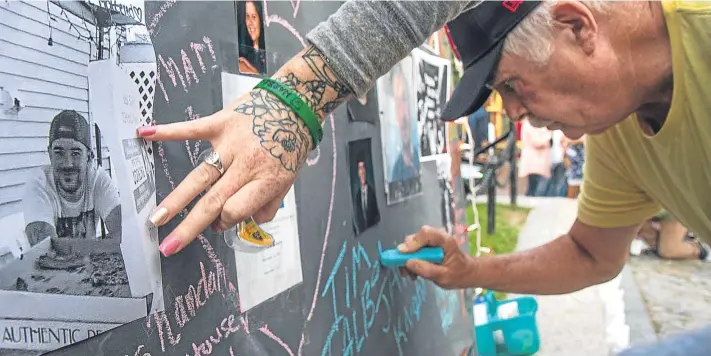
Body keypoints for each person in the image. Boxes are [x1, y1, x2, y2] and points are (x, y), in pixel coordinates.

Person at [137, 2, 711, 353]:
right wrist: (470, 270)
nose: (511, 114)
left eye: (510, 84)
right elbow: (593, 254)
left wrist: (295, 100)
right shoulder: (620, 135)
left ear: (577, 27)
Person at [22, 110, 122, 248]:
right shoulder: (38, 185)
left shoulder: (98, 179)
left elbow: (124, 232)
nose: (67, 163)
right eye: (59, 153)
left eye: (75, 153)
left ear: (89, 157)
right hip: (49, 270)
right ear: (50, 154)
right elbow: (45, 249)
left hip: (88, 266)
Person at [389, 63, 420, 182]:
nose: (402, 111)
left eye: (404, 97)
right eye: (397, 101)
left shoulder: (419, 155)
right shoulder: (396, 170)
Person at [518, 118, 551, 196]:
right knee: (536, 185)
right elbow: (537, 141)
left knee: (534, 185)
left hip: (538, 160)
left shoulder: (535, 124)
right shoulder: (529, 125)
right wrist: (549, 136)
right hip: (534, 160)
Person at [239, 0, 266, 75]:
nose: (250, 23)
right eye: (247, 16)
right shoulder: (243, 53)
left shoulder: (271, 56)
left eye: (254, 17)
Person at [353, 161, 380, 234]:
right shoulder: (358, 196)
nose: (362, 171)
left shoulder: (372, 193)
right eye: (359, 168)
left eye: (363, 168)